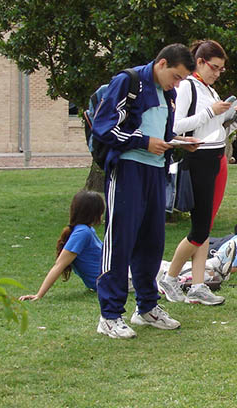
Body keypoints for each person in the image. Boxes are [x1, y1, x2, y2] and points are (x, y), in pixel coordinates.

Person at [91, 43, 198, 339]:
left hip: (155, 171)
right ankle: (110, 315)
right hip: (127, 170)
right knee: (121, 240)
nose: (176, 84)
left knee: (152, 241)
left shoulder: (169, 93)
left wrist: (177, 142)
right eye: (175, 77)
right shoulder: (129, 82)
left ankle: (147, 307)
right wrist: (143, 142)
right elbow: (104, 127)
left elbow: (159, 134)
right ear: (161, 64)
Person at [161, 40, 237, 306]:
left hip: (215, 156)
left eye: (221, 70)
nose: (217, 73)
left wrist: (234, 117)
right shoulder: (187, 87)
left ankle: (197, 285)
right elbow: (176, 126)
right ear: (200, 62)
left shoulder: (208, 89)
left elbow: (215, 130)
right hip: (199, 159)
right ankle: (170, 277)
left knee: (205, 227)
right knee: (199, 229)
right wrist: (212, 111)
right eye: (215, 67)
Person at [20, 191, 106, 301]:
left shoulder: (88, 230)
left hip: (115, 277)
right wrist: (39, 295)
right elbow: (59, 265)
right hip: (113, 281)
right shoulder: (82, 233)